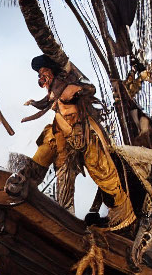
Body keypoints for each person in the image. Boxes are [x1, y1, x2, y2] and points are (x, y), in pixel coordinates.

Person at [22, 55, 135, 229]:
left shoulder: (65, 86)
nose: (41, 77)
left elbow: (89, 88)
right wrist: (34, 104)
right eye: (39, 73)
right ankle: (28, 181)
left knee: (100, 168)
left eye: (43, 72)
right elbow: (47, 102)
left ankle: (123, 209)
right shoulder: (53, 90)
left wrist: (76, 90)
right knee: (53, 153)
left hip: (83, 134)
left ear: (51, 71)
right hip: (62, 134)